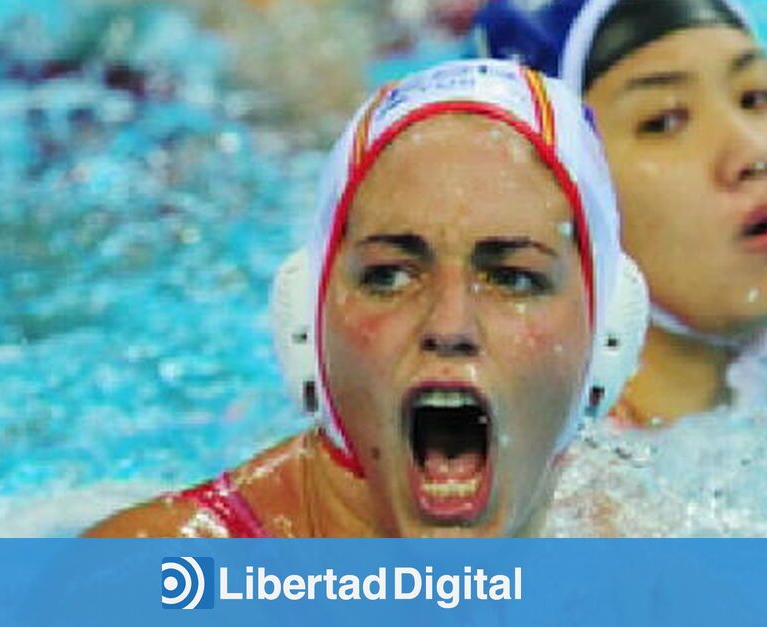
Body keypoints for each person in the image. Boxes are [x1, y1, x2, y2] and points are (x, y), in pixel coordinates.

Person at [84, 59, 645, 537]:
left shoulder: (645, 569)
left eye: (514, 279)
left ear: (606, 338)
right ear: (306, 328)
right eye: (390, 276)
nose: (450, 324)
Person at [472, 0, 767, 428]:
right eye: (664, 121)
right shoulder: (570, 485)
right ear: (556, 197)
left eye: (755, 97)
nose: (754, 154)